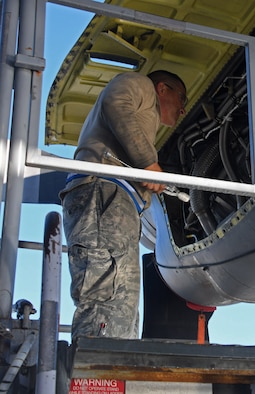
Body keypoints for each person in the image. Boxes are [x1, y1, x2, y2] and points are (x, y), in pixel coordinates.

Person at [59, 70, 187, 340]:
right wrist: (148, 162)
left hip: (116, 203)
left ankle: (113, 373)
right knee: (105, 295)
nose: (183, 109)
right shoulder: (140, 84)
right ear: (162, 89)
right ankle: (95, 377)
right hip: (103, 194)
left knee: (121, 304)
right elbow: (115, 103)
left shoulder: (147, 114)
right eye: (181, 98)